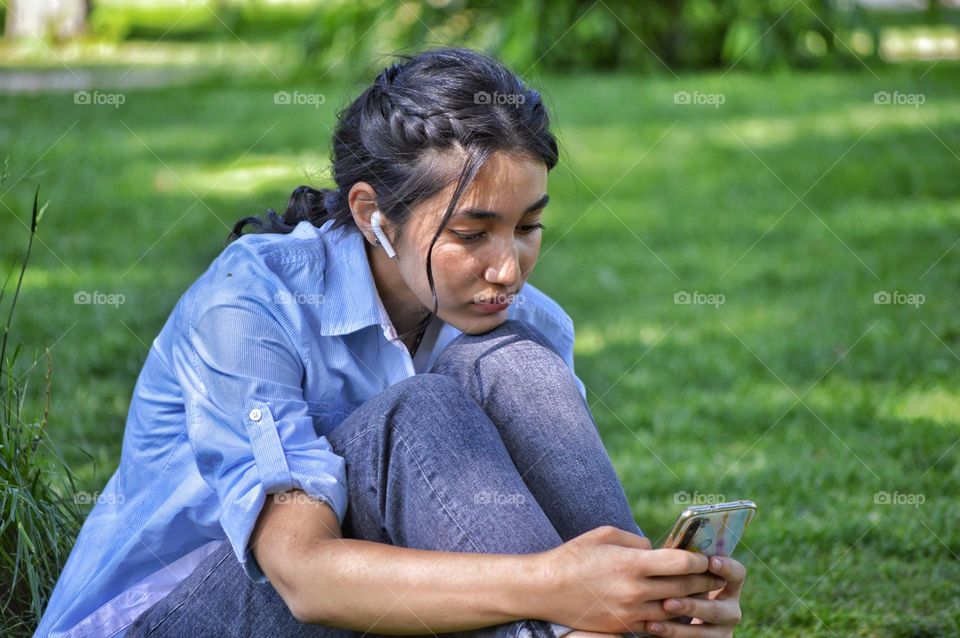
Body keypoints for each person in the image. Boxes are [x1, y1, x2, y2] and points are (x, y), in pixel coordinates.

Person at [35, 47, 746, 638]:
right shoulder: (252, 301)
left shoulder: (521, 322)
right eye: (471, 233)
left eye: (528, 227)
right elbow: (303, 576)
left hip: (382, 618)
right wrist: (554, 586)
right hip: (176, 618)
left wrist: (658, 599)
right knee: (420, 412)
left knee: (516, 360)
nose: (508, 268)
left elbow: (522, 536)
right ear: (373, 214)